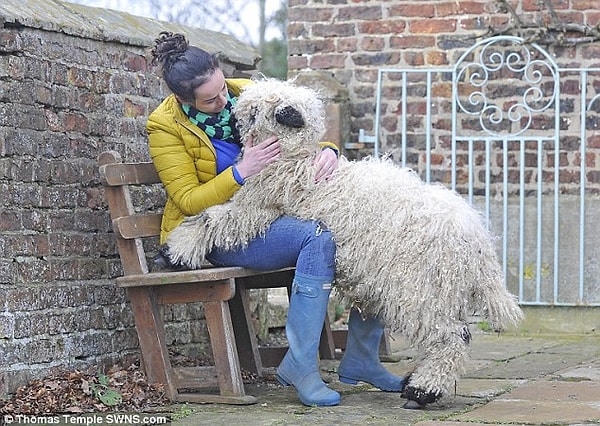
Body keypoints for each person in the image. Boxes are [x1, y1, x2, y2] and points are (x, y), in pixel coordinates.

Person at [147, 31, 404, 407]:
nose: (224, 101)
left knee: (369, 230)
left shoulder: (250, 94)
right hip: (218, 229)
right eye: (210, 100)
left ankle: (362, 358)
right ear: (184, 100)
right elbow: (187, 200)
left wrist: (328, 150)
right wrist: (241, 171)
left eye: (223, 89)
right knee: (317, 237)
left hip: (274, 213)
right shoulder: (164, 126)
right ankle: (301, 366)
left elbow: (300, 135)